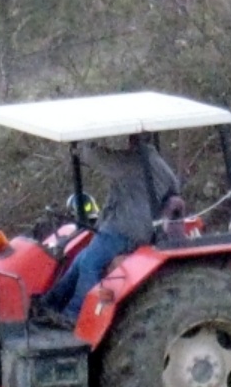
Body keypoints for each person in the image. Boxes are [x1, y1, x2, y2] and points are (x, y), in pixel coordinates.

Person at [41, 136, 180, 327]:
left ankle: (73, 316)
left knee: (90, 263)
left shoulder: (135, 161)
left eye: (131, 137)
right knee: (81, 258)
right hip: (137, 227)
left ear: (135, 139)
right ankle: (50, 303)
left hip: (124, 228)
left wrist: (85, 144)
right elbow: (175, 188)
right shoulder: (160, 165)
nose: (128, 141)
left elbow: (98, 159)